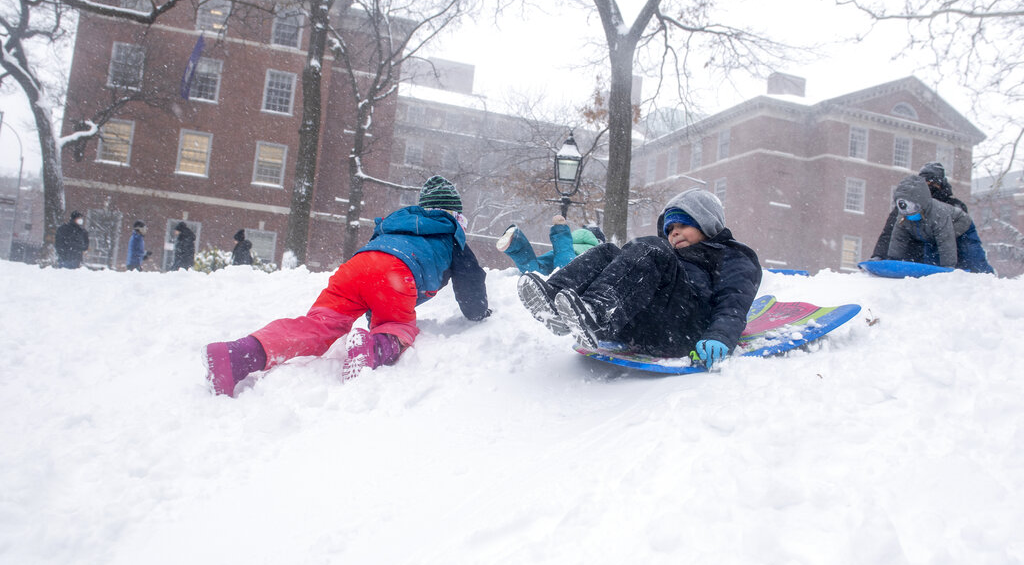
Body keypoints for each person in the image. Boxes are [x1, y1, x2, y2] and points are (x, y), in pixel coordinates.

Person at [203, 175, 491, 397]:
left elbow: (375, 271)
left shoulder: (398, 223)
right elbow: (471, 285)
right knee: (398, 326)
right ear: (455, 216)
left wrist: (373, 304)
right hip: (396, 273)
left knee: (318, 324)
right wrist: (479, 313)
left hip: (356, 267)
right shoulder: (451, 237)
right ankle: (372, 348)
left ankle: (238, 354)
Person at [517, 188, 762, 369]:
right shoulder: (667, 256)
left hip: (684, 330)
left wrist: (719, 336)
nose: (673, 232)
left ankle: (596, 314)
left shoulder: (731, 255)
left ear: (708, 223)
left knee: (651, 248)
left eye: (683, 225)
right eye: (669, 229)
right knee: (608, 251)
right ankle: (554, 301)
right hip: (638, 326)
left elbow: (733, 303)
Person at [886, 174, 994, 273]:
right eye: (904, 206)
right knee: (931, 256)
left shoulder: (938, 213)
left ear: (922, 202)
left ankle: (986, 275)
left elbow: (946, 240)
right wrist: (893, 259)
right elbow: (898, 238)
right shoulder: (903, 217)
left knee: (971, 254)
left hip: (961, 225)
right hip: (933, 231)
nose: (909, 211)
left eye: (914, 206)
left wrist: (948, 266)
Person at [870, 161, 968, 260]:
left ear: (941, 184)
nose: (929, 186)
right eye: (925, 181)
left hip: (938, 259)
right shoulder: (909, 204)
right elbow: (890, 232)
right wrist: (879, 255)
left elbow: (960, 239)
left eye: (933, 182)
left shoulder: (953, 206)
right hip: (910, 258)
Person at [496, 215, 605, 275]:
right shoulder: (595, 246)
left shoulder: (572, 239)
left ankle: (516, 241)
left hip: (558, 251)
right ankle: (560, 231)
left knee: (535, 269)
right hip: (573, 258)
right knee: (565, 269)